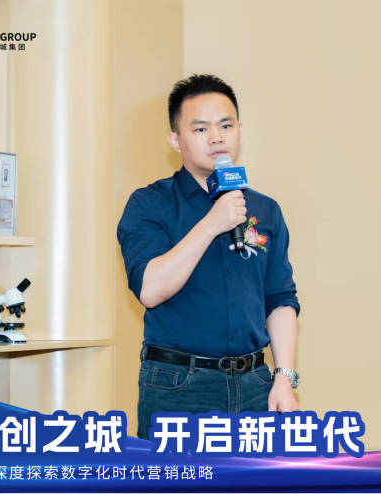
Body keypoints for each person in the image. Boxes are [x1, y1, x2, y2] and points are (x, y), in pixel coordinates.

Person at [117, 74, 301, 439]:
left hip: (255, 383)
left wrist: (284, 377)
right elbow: (150, 289)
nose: (216, 137)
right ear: (175, 140)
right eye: (201, 129)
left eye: (226, 126)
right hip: (179, 385)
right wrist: (211, 224)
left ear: (239, 130)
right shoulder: (149, 204)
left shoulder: (265, 210)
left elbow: (280, 300)